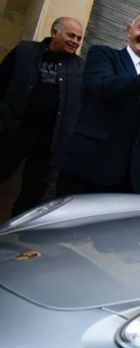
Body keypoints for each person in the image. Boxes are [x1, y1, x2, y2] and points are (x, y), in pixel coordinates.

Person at [55, 10, 140, 196]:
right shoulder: (103, 55)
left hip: (132, 180)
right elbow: (104, 87)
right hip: (89, 170)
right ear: (129, 30)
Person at [0, 17, 84, 216]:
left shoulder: (81, 68)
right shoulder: (25, 51)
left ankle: (12, 241)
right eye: (70, 35)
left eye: (79, 38)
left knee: (31, 196)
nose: (75, 41)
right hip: (15, 133)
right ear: (54, 33)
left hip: (49, 145)